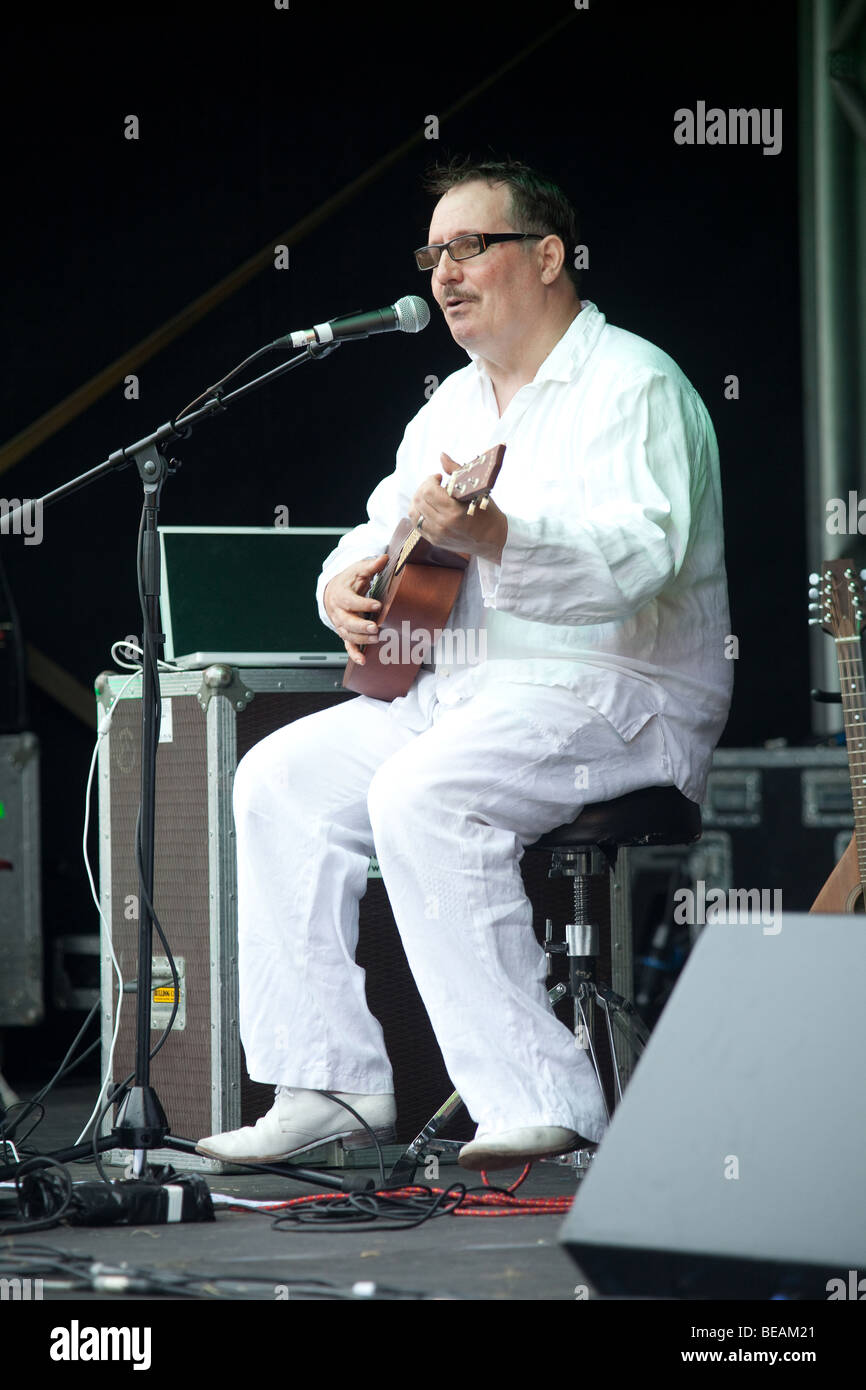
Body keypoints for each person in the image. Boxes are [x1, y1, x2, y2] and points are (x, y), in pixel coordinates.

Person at [197, 157, 733, 1171]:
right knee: (275, 778)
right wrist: (343, 589)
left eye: (469, 247)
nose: (444, 271)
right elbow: (365, 539)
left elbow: (637, 560)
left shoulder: (634, 384)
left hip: (620, 695)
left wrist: (496, 539)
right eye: (432, 252)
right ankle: (328, 1085)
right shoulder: (449, 407)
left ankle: (541, 1096)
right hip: (465, 695)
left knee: (420, 793)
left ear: (546, 255)